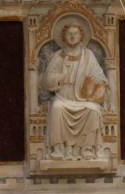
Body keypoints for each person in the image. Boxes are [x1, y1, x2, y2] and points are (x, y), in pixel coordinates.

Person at [41, 23, 108, 160]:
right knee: (56, 108)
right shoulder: (58, 56)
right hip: (63, 97)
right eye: (69, 34)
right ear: (64, 37)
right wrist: (62, 75)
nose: (72, 36)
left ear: (81, 36)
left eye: (75, 33)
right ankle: (59, 149)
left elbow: (100, 76)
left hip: (82, 98)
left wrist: (96, 79)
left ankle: (86, 148)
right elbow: (47, 81)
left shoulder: (88, 55)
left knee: (93, 110)